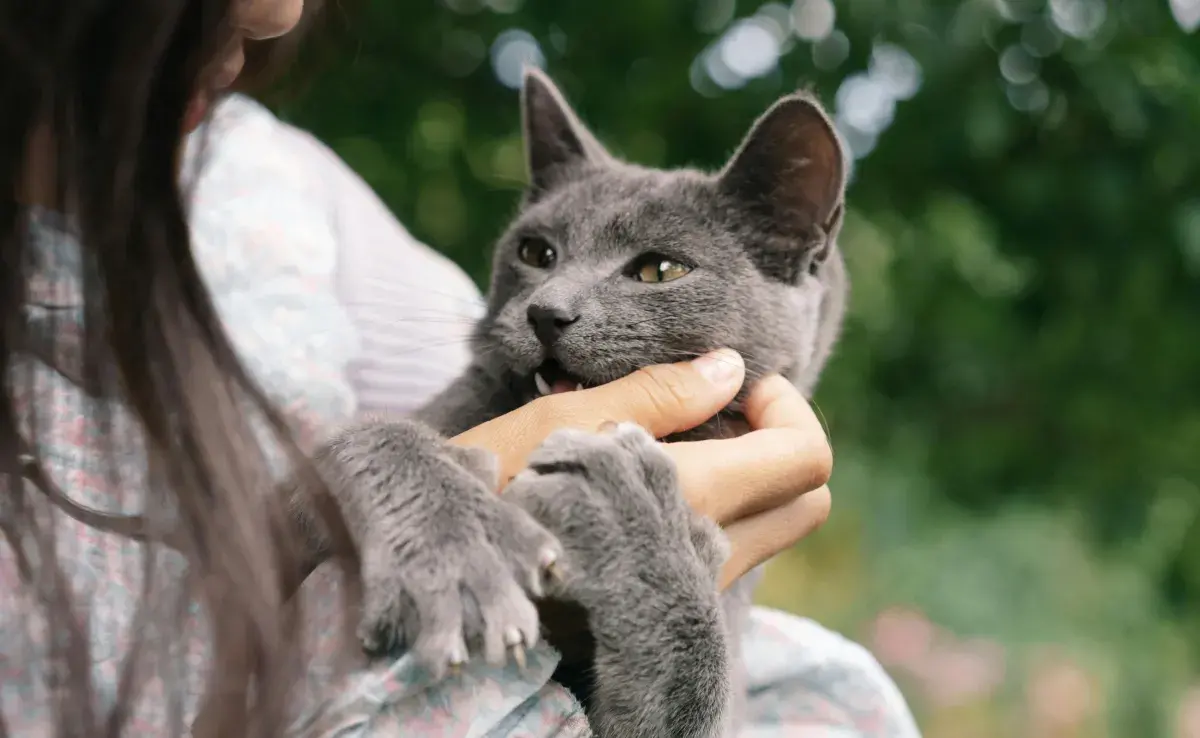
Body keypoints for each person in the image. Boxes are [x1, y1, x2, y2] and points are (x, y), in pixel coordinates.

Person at [0, 3, 916, 738]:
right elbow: (282, 538)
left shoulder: (281, 195)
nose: (555, 303)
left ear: (796, 252)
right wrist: (388, 463)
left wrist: (666, 605)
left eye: (656, 270)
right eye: (541, 251)